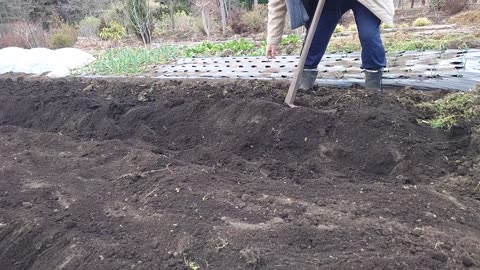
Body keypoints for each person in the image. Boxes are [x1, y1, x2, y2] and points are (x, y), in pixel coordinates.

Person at [266, 0, 394, 90]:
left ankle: (373, 88)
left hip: (366, 2)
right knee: (315, 37)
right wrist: (272, 39)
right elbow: (277, 4)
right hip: (329, 2)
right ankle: (304, 86)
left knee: (369, 36)